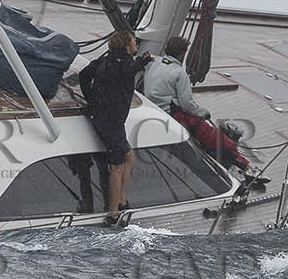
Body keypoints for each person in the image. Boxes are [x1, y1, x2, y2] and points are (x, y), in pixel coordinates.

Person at [142, 36, 262, 178]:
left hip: (152, 108)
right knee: (212, 136)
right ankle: (245, 167)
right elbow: (187, 104)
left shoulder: (154, 63)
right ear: (183, 53)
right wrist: (203, 113)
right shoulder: (179, 73)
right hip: (170, 113)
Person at [78, 29, 152, 224]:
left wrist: (91, 98)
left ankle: (121, 198)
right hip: (113, 122)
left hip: (102, 117)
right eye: (134, 41)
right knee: (117, 166)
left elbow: (83, 75)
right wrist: (144, 61)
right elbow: (130, 68)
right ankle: (113, 212)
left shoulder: (103, 61)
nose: (136, 44)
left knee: (128, 156)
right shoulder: (125, 64)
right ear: (127, 46)